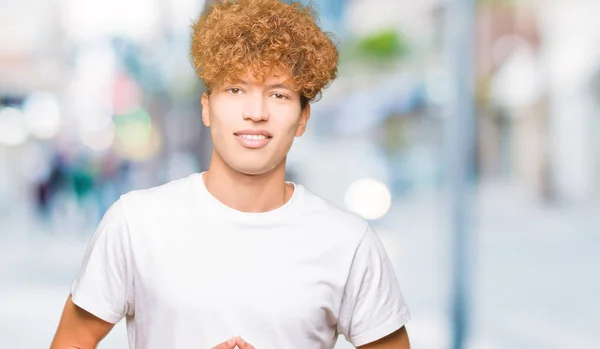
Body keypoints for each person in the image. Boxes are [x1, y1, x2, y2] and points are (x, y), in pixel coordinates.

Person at [50, 0, 411, 348]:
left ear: (303, 118)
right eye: (236, 89)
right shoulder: (135, 223)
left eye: (279, 95)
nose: (256, 111)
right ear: (206, 107)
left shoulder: (349, 243)